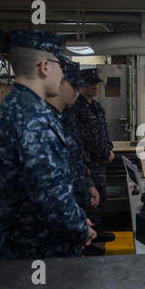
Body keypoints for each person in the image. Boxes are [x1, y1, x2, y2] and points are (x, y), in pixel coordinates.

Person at [0, 30, 96, 260]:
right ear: (45, 66)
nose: (63, 75)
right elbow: (51, 194)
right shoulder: (35, 117)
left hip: (18, 243)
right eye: (61, 67)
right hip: (41, 248)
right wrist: (80, 228)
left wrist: (76, 218)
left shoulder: (10, 107)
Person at [48, 62, 106, 256]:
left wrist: (87, 181)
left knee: (97, 201)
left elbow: (77, 149)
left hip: (83, 179)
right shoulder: (46, 119)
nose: (75, 90)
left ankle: (92, 235)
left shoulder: (68, 114)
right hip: (54, 221)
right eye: (73, 85)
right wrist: (76, 220)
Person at [70, 68, 115, 243]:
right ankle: (89, 237)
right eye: (91, 83)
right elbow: (86, 139)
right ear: (81, 86)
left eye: (96, 83)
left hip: (100, 163)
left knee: (100, 198)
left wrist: (109, 149)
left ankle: (97, 230)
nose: (95, 87)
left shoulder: (96, 107)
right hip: (88, 164)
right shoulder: (77, 109)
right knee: (90, 201)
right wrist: (104, 152)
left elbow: (103, 132)